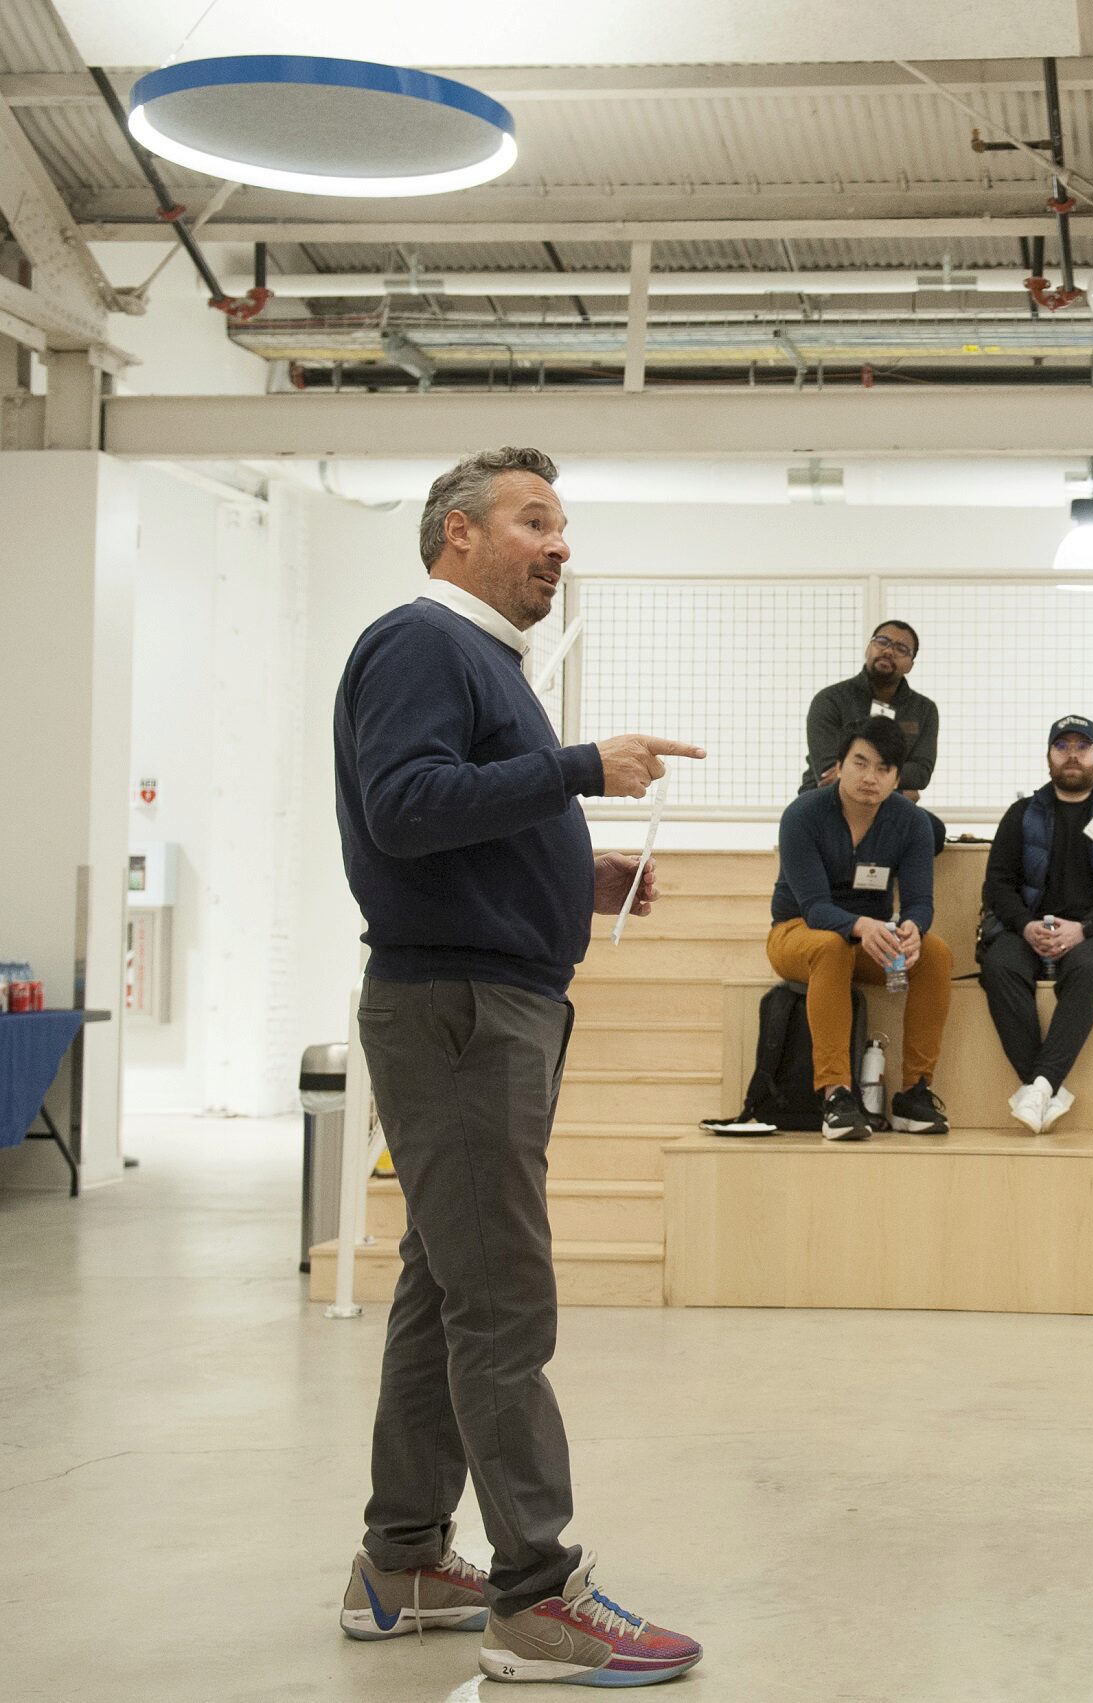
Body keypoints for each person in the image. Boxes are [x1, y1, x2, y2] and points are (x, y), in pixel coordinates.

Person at [333, 446, 703, 1686]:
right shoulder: (421, 643)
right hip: (460, 1014)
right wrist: (578, 769)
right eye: (533, 520)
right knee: (502, 1301)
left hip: (484, 1002)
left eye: (563, 525)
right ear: (456, 535)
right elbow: (405, 802)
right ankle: (535, 1593)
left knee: (447, 1289)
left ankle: (403, 1561)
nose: (558, 543)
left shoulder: (481, 659)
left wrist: (569, 867)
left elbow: (454, 814)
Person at [767, 718, 952, 1138]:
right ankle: (836, 1096)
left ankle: (914, 1094)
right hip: (797, 933)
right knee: (830, 947)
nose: (870, 777)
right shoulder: (802, 816)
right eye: (860, 762)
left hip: (872, 939)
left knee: (936, 953)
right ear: (838, 764)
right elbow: (814, 909)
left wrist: (911, 928)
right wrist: (862, 924)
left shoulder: (912, 823)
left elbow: (921, 902)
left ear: (897, 778)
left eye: (884, 768)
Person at [979, 715, 1093, 1135]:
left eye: (1083, 746)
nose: (1072, 754)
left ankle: (1038, 1086)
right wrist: (1024, 927)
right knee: (999, 965)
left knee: (1087, 969)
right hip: (1028, 930)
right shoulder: (1022, 814)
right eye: (1063, 746)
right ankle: (1046, 1088)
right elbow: (997, 885)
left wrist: (1085, 928)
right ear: (1049, 757)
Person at [801, 620, 944, 845]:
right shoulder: (830, 700)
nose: (888, 650)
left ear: (910, 665)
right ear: (869, 648)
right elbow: (828, 773)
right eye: (882, 641)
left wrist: (879, 784)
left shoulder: (924, 709)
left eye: (901, 648)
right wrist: (902, 791)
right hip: (828, 803)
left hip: (886, 805)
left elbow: (921, 772)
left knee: (933, 831)